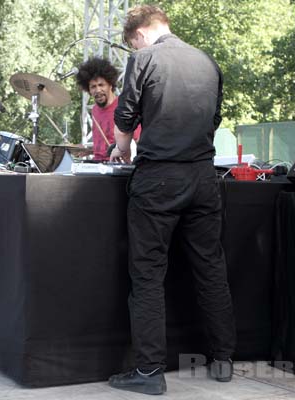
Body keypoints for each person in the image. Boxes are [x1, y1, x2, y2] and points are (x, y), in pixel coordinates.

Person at [108, 5, 236, 395]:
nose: (134, 46)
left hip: (159, 178)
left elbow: (126, 116)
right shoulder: (207, 61)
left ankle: (148, 373)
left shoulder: (143, 58)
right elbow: (213, 119)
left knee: (147, 274)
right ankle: (223, 359)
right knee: (210, 267)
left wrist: (121, 148)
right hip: (203, 178)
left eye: (132, 41)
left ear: (140, 35)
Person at [75, 57, 141, 161]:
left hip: (115, 166)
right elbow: (105, 147)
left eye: (101, 85)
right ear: (88, 90)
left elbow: (135, 143)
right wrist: (89, 150)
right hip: (97, 165)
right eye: (93, 87)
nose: (98, 90)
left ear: (110, 85)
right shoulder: (95, 110)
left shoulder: (124, 107)